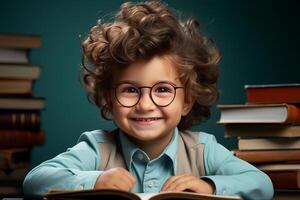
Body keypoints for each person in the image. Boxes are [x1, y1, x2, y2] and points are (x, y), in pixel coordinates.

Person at [23, 1, 274, 199]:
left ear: (187, 101)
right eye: (130, 90)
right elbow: (35, 181)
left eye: (163, 90)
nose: (145, 105)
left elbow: (261, 185)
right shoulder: (96, 148)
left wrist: (209, 186)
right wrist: (96, 182)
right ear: (110, 100)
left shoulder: (203, 150)